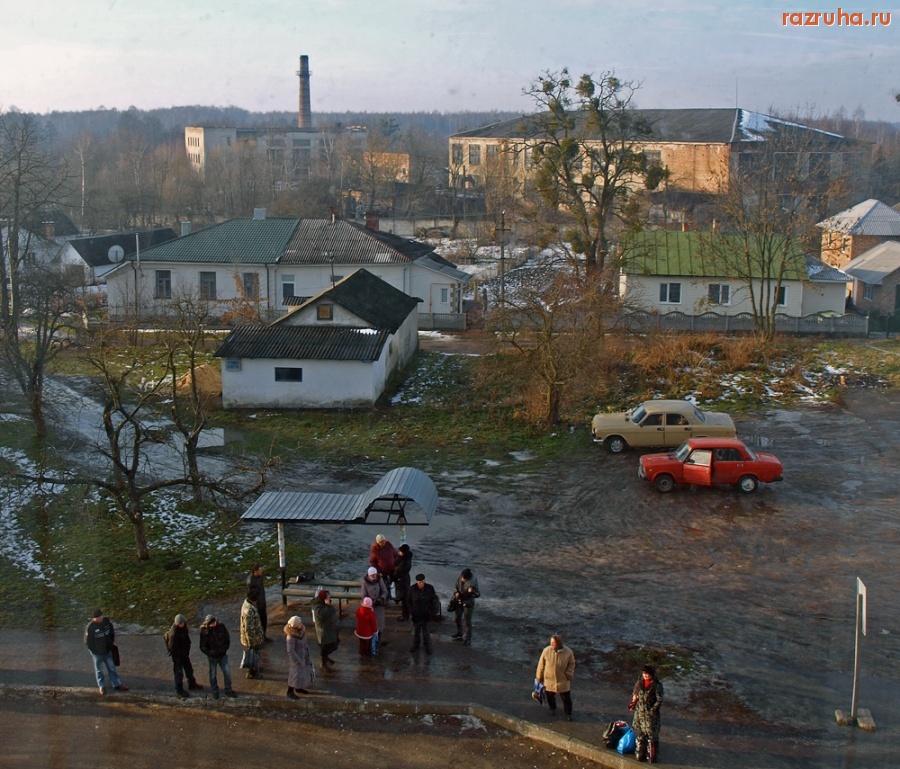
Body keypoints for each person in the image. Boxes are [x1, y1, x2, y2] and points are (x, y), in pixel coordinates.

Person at [84, 608, 128, 695]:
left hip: (107, 650)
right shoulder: (90, 627)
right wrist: (95, 650)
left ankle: (117, 684)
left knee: (112, 668)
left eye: (101, 616)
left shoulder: (106, 622)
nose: (100, 618)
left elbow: (111, 632)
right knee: (99, 670)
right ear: (94, 618)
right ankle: (101, 687)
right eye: (98, 617)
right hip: (97, 653)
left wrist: (110, 642)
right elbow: (88, 642)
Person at [629, 664, 664, 764]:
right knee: (641, 733)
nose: (645, 676)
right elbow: (635, 693)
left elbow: (659, 700)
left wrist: (652, 711)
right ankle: (640, 752)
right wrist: (634, 701)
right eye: (644, 673)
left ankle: (652, 755)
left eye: (647, 674)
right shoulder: (640, 682)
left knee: (651, 734)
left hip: (650, 715)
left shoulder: (656, 685)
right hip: (640, 712)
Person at [535, 634, 576, 720]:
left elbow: (571, 664)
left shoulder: (568, 652)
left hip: (563, 679)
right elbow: (541, 665)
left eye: (553, 643)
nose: (551, 644)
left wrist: (568, 674)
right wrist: (539, 677)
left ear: (558, 643)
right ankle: (552, 708)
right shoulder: (546, 651)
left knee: (566, 698)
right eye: (551, 642)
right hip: (549, 679)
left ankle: (568, 713)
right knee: (550, 696)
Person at [199, 614, 237, 699]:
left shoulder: (221, 627)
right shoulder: (204, 632)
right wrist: (210, 653)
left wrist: (225, 648)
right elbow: (202, 647)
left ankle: (228, 690)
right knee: (213, 674)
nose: (214, 624)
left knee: (227, 673)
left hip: (222, 655)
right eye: (211, 623)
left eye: (214, 622)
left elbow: (227, 638)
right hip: (212, 657)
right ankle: (215, 691)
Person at [165, 614, 203, 698]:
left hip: (184, 654)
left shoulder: (183, 627)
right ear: (177, 624)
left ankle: (192, 684)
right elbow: (173, 648)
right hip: (178, 656)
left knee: (189, 669)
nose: (182, 624)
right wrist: (181, 654)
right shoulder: (173, 634)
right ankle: (179, 690)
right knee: (179, 673)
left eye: (183, 622)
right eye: (181, 623)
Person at [240, 586, 266, 678]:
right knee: (252, 655)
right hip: (252, 639)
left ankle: (255, 667)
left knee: (255, 654)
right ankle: (252, 672)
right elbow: (249, 629)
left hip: (253, 637)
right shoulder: (249, 611)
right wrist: (251, 643)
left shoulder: (247, 604)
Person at [407, 573, 437, 654]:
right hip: (416, 613)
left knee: (426, 632)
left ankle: (427, 646)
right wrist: (411, 611)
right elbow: (408, 600)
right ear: (416, 582)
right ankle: (415, 645)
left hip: (426, 613)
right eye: (420, 582)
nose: (421, 583)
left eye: (423, 582)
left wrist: (432, 611)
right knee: (416, 631)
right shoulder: (412, 589)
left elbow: (434, 600)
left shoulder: (430, 588)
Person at [284, 615, 312, 699]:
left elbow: (305, 644)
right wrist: (298, 660)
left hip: (303, 656)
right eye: (299, 623)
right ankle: (290, 691)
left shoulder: (301, 632)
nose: (301, 624)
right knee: (295, 674)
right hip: (296, 659)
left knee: (302, 673)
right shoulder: (291, 637)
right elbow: (290, 651)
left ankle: (298, 687)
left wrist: (307, 655)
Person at [311, 589, 340, 669]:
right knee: (325, 647)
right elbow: (324, 614)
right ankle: (323, 663)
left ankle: (326, 658)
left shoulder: (324, 604)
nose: (330, 598)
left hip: (329, 628)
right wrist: (328, 606)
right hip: (323, 630)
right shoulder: (318, 607)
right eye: (328, 597)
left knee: (334, 644)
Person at [452, 568, 480, 645]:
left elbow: (478, 594)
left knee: (467, 621)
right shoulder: (460, 578)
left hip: (468, 603)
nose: (463, 580)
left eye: (464, 579)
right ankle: (459, 632)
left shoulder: (473, 582)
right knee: (457, 618)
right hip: (459, 601)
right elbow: (456, 587)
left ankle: (468, 638)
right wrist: (456, 593)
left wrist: (471, 592)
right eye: (462, 578)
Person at [361, 566, 389, 637]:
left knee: (379, 624)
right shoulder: (365, 583)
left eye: (375, 574)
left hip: (379, 606)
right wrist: (370, 602)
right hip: (370, 607)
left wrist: (381, 598)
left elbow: (385, 591)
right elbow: (363, 596)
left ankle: (379, 638)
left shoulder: (380, 580)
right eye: (372, 575)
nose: (374, 576)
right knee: (371, 625)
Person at [246, 563, 270, 641]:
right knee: (257, 622)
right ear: (255, 571)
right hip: (257, 604)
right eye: (260, 570)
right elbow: (250, 595)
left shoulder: (260, 577)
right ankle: (258, 638)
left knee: (264, 620)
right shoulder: (250, 581)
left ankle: (263, 636)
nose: (261, 571)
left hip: (262, 602)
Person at [393, 544, 413, 621]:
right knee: (404, 597)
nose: (399, 552)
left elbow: (398, 571)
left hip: (402, 581)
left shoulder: (404, 562)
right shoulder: (406, 558)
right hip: (404, 580)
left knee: (404, 598)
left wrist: (393, 576)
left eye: (400, 551)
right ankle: (405, 613)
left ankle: (405, 615)